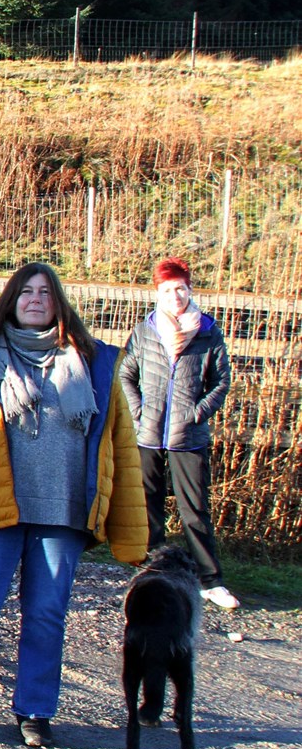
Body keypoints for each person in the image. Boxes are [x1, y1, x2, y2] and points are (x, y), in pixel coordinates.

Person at [0, 262, 146, 748]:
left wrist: (128, 521)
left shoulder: (95, 364)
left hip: (65, 512)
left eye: (45, 292)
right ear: (11, 301)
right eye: (25, 292)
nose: (35, 299)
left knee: (46, 612)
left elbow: (120, 444)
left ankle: (35, 709)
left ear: (59, 303)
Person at [119, 257, 236, 608]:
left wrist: (197, 413)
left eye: (180, 288)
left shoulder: (207, 333)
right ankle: (150, 568)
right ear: (158, 292)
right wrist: (138, 411)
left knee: (194, 507)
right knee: (147, 503)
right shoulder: (144, 331)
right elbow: (126, 374)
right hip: (149, 433)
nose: (175, 296)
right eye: (168, 290)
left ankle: (209, 579)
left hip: (188, 436)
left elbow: (221, 381)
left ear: (190, 289)